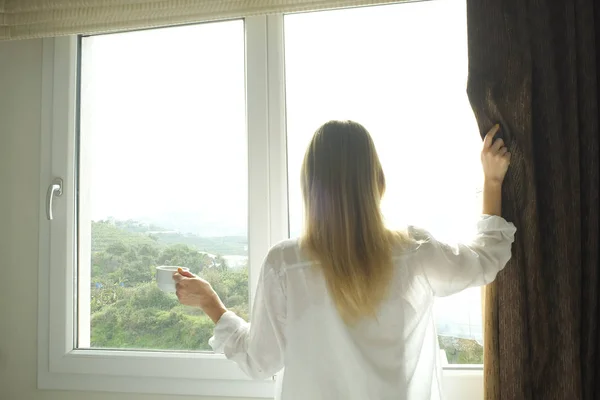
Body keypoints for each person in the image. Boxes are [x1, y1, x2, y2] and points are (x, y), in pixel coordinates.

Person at [173, 120, 516, 400]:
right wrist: (493, 180)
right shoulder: (414, 251)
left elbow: (260, 361)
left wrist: (211, 303)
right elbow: (486, 259)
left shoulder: (286, 264)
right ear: (377, 181)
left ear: (310, 186)